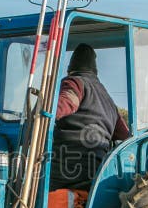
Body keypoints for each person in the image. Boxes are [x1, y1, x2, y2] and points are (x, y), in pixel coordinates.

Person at [49, 43, 130, 190]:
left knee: (26, 180)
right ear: (95, 71)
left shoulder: (74, 82)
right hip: (97, 170)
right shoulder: (107, 98)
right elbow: (125, 135)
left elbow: (64, 104)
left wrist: (43, 114)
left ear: (70, 69)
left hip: (66, 166)